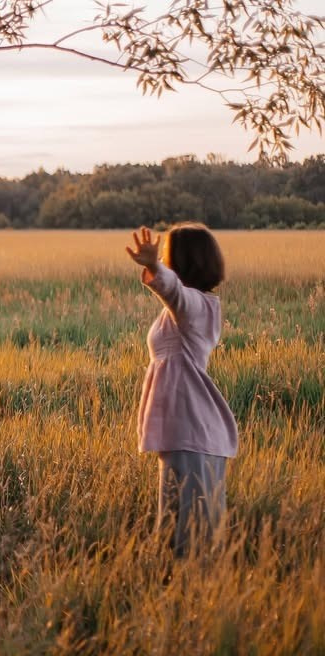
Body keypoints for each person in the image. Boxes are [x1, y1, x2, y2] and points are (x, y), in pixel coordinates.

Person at [125, 224, 238, 557]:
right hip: (183, 432)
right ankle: (182, 596)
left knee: (189, 541)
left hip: (192, 432)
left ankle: (193, 599)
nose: (164, 259)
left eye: (168, 255)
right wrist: (156, 268)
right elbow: (174, 296)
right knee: (177, 532)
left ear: (184, 261)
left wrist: (154, 268)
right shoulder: (178, 313)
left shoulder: (198, 308)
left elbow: (174, 291)